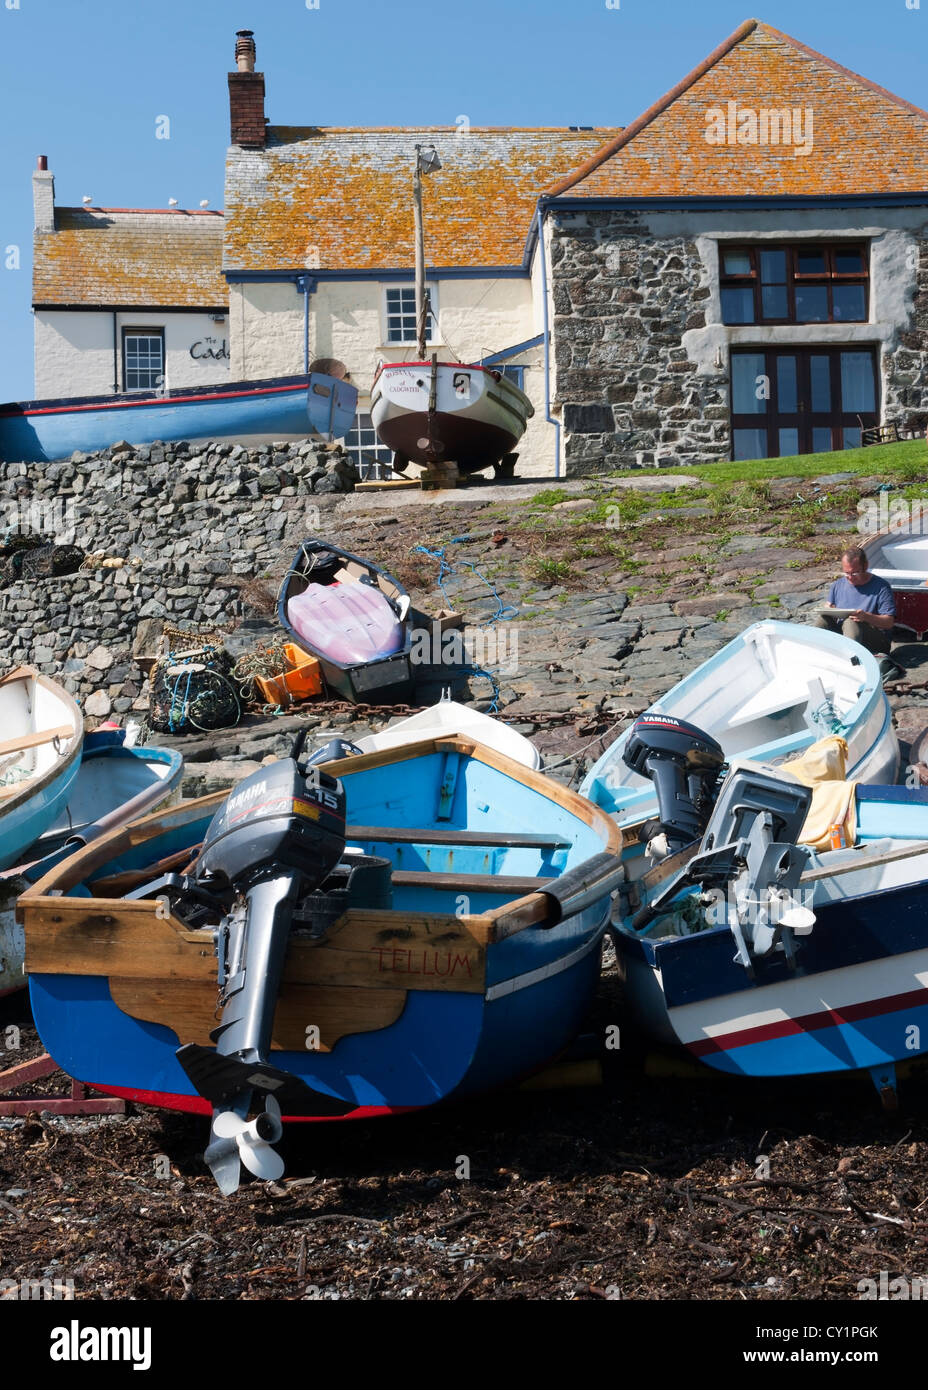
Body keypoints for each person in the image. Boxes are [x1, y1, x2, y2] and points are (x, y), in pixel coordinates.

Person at [812, 546, 896, 664]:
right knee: (823, 620)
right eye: (847, 573)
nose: (850, 578)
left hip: (876, 640)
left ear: (865, 566)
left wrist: (866, 616)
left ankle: (851, 663)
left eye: (855, 573)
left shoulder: (881, 587)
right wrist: (829, 610)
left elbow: (889, 623)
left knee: (851, 622)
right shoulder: (838, 585)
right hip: (845, 635)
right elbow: (828, 607)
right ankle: (815, 657)